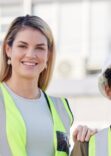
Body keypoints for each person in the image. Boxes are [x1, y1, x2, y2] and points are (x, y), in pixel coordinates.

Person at [0, 15, 94, 156]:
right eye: (22, 46)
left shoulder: (61, 108)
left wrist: (81, 145)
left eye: (39, 48)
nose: (31, 54)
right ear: (8, 49)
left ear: (48, 55)